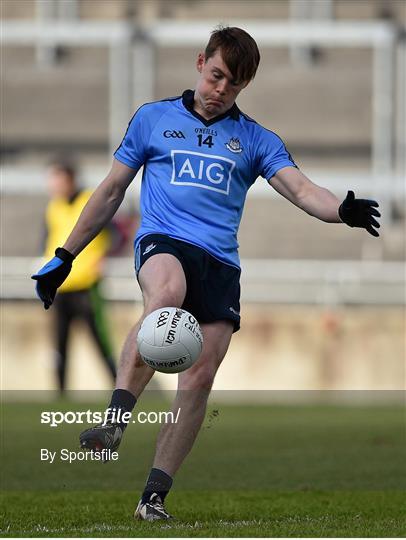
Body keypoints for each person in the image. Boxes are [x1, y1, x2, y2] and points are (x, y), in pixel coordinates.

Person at [32, 27, 380, 520]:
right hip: (165, 242)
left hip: (220, 263)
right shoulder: (153, 120)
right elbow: (111, 191)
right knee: (166, 294)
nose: (220, 90)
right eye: (216, 75)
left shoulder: (255, 139)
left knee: (200, 375)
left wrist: (340, 210)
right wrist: (65, 256)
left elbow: (302, 190)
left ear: (244, 87)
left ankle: (153, 496)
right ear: (200, 63)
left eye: (233, 84)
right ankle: (113, 423)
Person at [41, 159, 117, 392]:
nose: (53, 185)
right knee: (59, 344)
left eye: (58, 179)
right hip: (60, 287)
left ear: (71, 179)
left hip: (87, 284)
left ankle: (120, 390)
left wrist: (106, 256)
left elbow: (120, 232)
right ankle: (60, 395)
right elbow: (47, 241)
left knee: (101, 342)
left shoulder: (90, 202)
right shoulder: (53, 206)